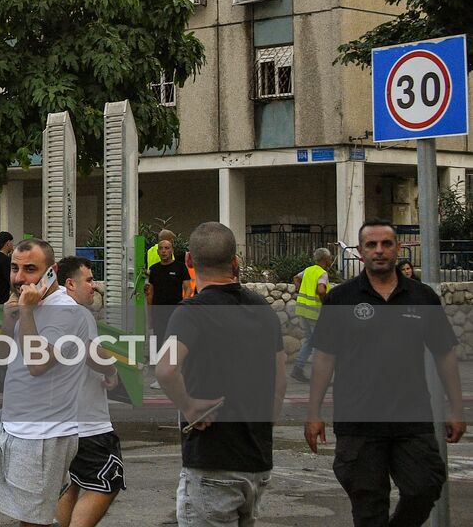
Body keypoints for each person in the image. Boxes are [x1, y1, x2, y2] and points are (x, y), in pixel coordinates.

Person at [305, 219, 466, 527]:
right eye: (371, 245)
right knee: (369, 508)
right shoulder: (341, 299)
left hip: (412, 417)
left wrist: (456, 409)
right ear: (360, 252)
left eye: (386, 244)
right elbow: (324, 358)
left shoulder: (423, 298)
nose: (379, 251)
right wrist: (314, 413)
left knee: (425, 486)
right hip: (358, 423)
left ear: (398, 248)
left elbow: (445, 354)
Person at [0, 238, 107, 526]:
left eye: (30, 269)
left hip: (43, 434)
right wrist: (8, 319)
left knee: (30, 524)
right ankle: (45, 484)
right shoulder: (25, 305)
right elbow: (2, 355)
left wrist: (26, 313)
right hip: (9, 424)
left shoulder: (67, 312)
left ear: (51, 271)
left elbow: (38, 364)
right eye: (15, 268)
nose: (18, 278)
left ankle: (44, 483)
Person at [156, 222, 285, 527]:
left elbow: (165, 368)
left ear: (188, 261)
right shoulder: (263, 310)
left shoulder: (190, 314)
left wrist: (188, 406)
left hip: (211, 461)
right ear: (236, 262)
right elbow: (280, 380)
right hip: (256, 460)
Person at [54, 256, 125, 527]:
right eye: (89, 280)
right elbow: (90, 350)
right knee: (108, 481)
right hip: (87, 424)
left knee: (72, 484)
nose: (93, 286)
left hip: (60, 422)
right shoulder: (77, 312)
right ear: (70, 283)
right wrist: (111, 371)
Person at [289, 247, 332, 382]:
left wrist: (299, 289)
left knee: (310, 341)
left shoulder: (308, 270)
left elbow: (296, 278)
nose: (331, 260)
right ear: (325, 260)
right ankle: (320, 375)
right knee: (320, 343)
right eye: (330, 258)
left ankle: (298, 369)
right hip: (315, 312)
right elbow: (321, 290)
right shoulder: (322, 273)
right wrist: (326, 302)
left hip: (303, 310)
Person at [146, 236, 192, 355]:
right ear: (158, 252)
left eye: (167, 248)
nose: (164, 251)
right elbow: (150, 292)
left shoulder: (180, 267)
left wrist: (183, 307)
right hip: (158, 310)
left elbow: (188, 288)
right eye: (161, 249)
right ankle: (155, 361)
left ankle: (173, 362)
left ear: (172, 250)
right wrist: (150, 314)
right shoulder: (154, 269)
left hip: (174, 309)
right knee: (157, 336)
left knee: (174, 337)